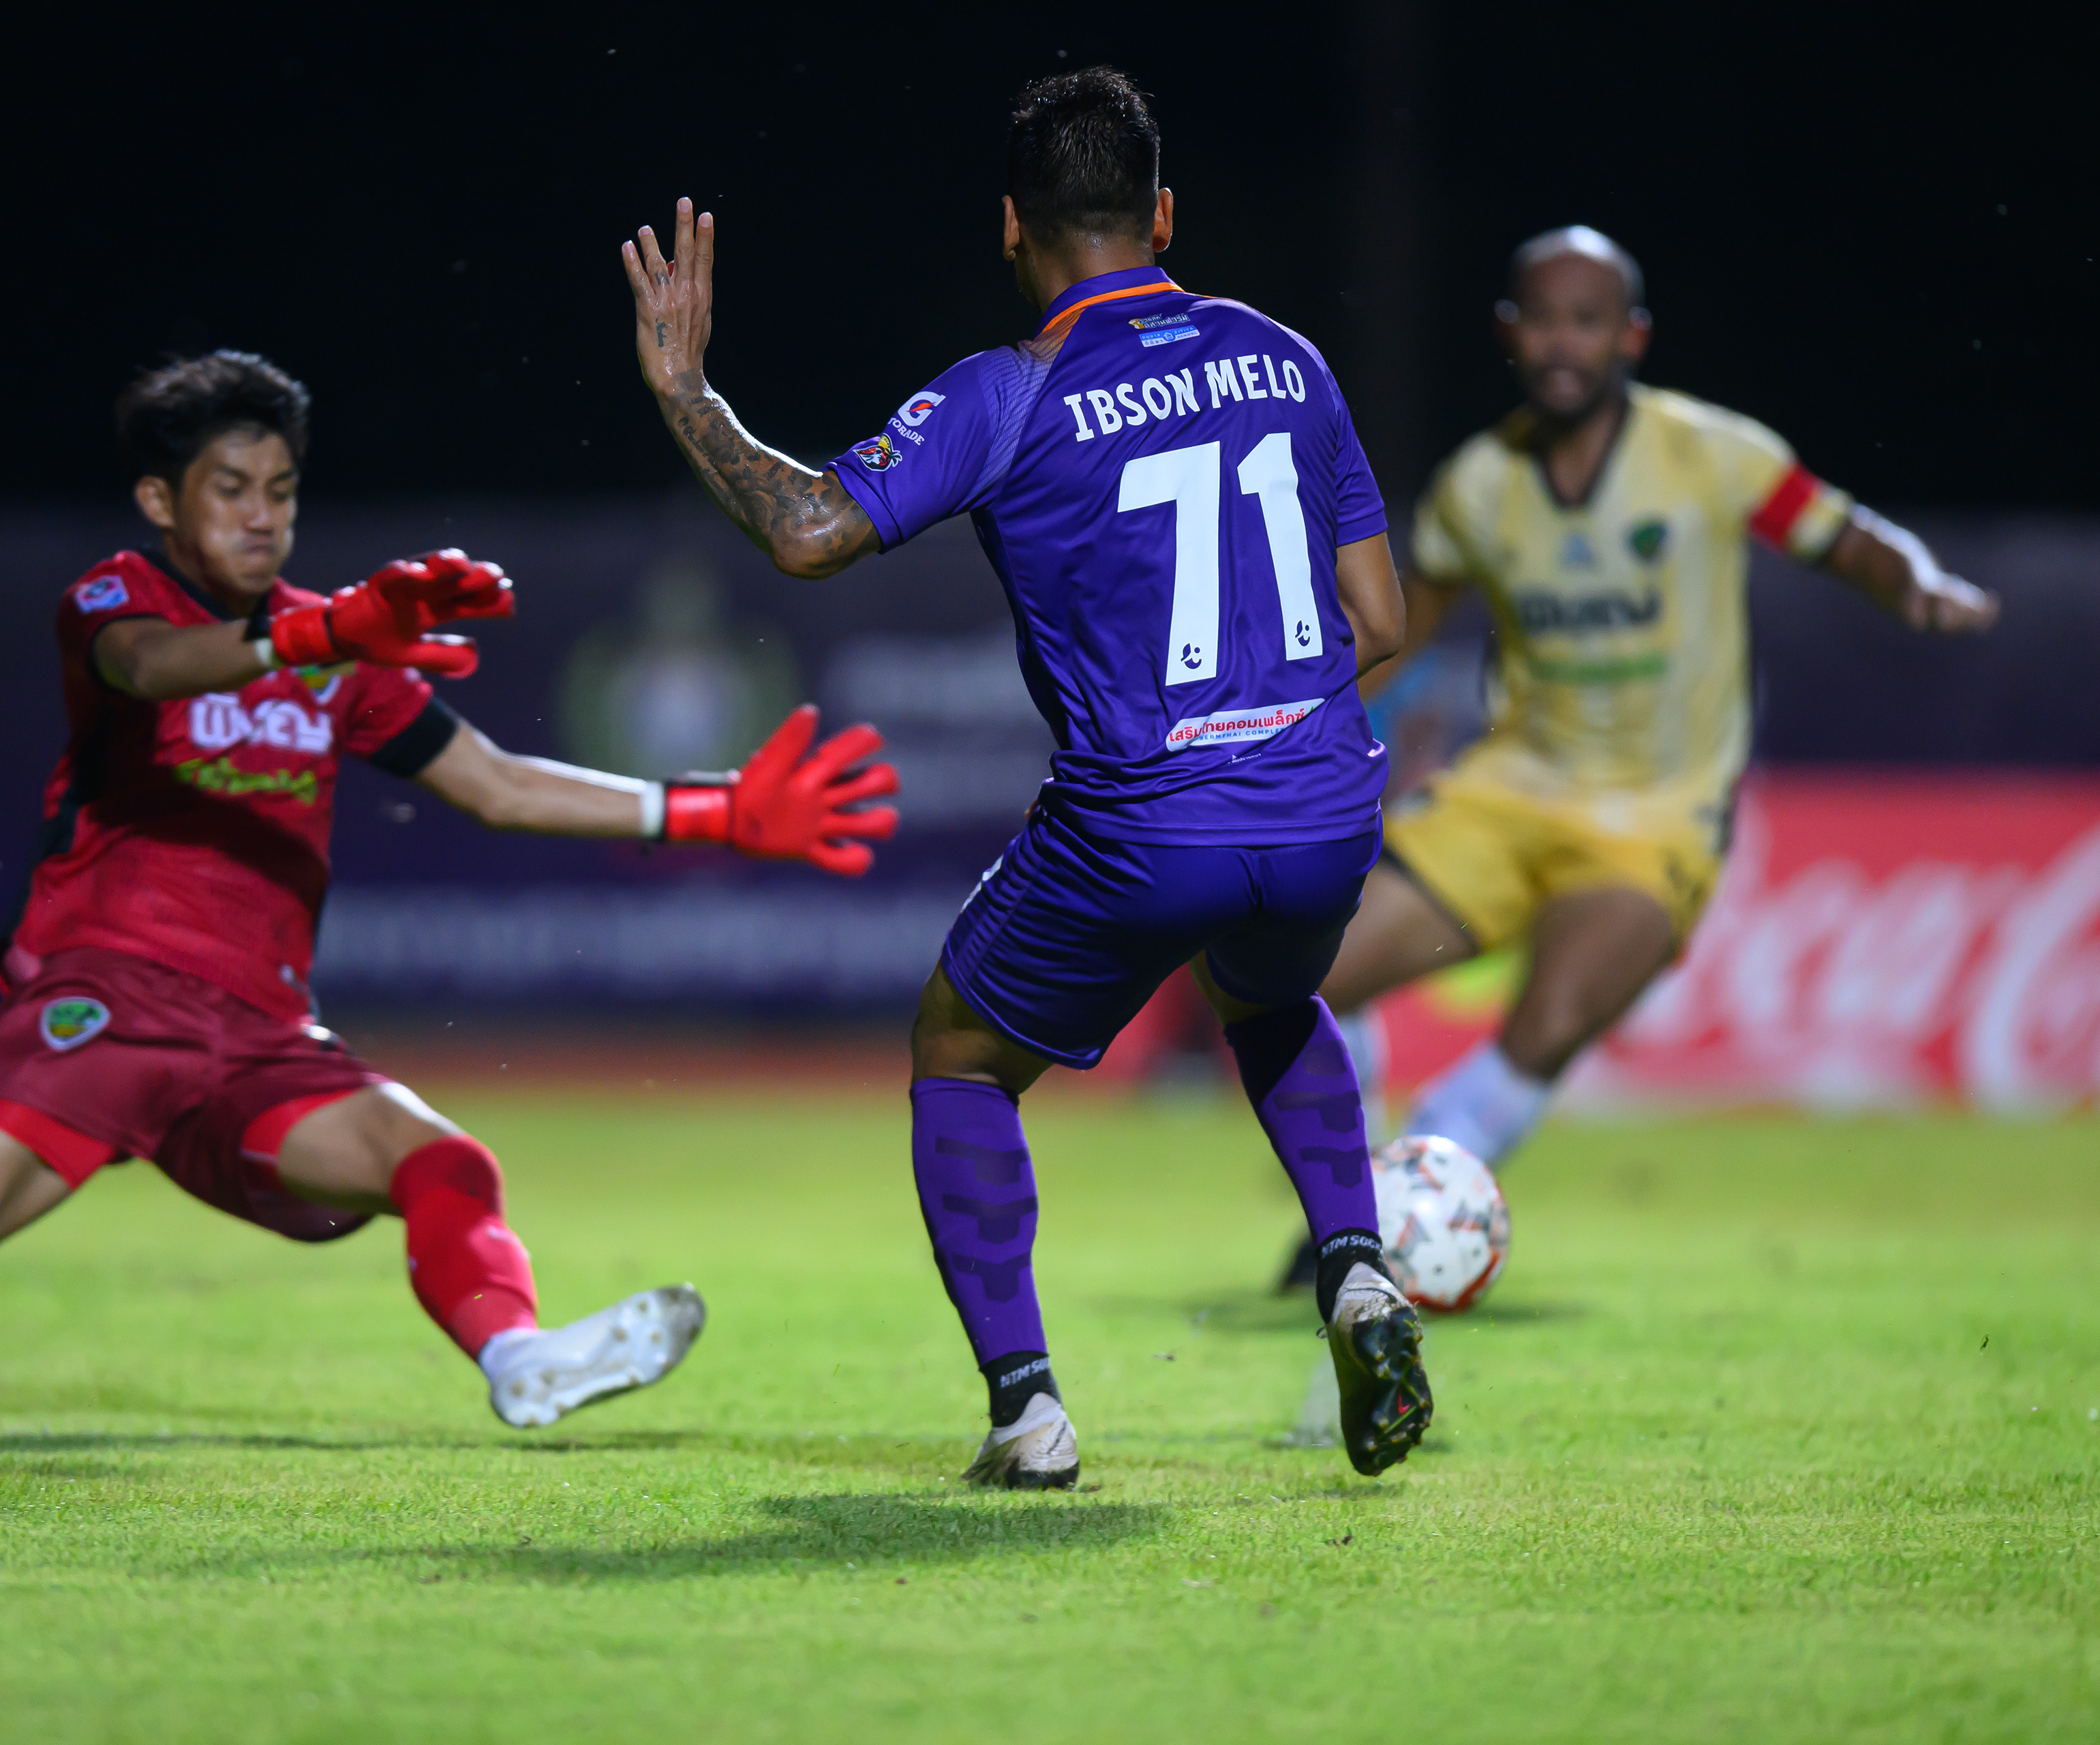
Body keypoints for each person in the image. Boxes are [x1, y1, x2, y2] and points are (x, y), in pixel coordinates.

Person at [0, 350, 898, 1429]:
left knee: (445, 1161)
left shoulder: (342, 641)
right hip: (97, 1012)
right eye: (230, 489)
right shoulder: (120, 599)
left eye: (281, 489)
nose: (263, 515)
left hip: (257, 1040)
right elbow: (154, 668)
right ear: (161, 500)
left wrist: (715, 810)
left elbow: (494, 785)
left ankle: (521, 1360)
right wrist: (321, 631)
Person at [622, 67, 1429, 1485]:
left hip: (1145, 824)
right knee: (1269, 995)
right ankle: (1358, 1267)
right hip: (1321, 805)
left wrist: (688, 393)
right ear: (1163, 214)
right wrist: (1261, 727)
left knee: (959, 1053)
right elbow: (1384, 620)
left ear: (1011, 226)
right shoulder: (1286, 358)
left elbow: (808, 531)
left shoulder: (1009, 392)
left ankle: (1028, 1412)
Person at [1267, 228, 2001, 1288]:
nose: (1563, 343)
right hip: (1510, 795)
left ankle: (1405, 1196)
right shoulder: (1479, 486)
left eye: (1588, 321)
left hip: (1660, 814)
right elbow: (1400, 625)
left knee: (1549, 1022)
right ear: (1509, 333)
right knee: (1306, 972)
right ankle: (1355, 1197)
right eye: (1542, 321)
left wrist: (1916, 582)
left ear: (1632, 338)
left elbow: (1845, 536)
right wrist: (1286, 724)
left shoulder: (1711, 454)